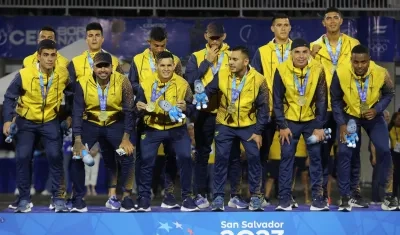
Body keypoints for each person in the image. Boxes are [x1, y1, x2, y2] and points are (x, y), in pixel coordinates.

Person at [3, 39, 72, 213]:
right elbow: (10, 97)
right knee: (23, 157)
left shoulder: (63, 74)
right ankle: (24, 199)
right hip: (26, 122)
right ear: (39, 56)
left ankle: (58, 199)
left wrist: (70, 117)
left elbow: (73, 96)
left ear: (56, 56)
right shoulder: (24, 74)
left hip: (50, 120)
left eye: (53, 55)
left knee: (56, 156)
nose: (50, 59)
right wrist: (7, 120)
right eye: (46, 55)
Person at [330, 44, 397, 211]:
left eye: (363, 62)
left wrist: (377, 109)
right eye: (356, 62)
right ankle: (347, 196)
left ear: (369, 60)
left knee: (384, 149)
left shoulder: (381, 72)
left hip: (373, 116)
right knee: (346, 152)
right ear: (351, 60)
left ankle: (388, 195)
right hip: (351, 118)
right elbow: (336, 100)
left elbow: (389, 93)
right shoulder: (341, 72)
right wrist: (342, 123)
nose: (360, 66)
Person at [185, 22, 244, 209]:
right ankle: (200, 194)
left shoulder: (231, 55)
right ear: (206, 37)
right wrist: (207, 62)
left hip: (227, 112)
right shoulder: (196, 56)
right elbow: (189, 81)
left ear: (224, 36)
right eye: (212, 38)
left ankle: (234, 195)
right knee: (202, 154)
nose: (215, 41)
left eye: (218, 37)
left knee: (232, 155)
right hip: (204, 113)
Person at [204, 46, 269, 211]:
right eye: (230, 59)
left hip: (249, 125)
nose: (230, 62)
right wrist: (200, 95)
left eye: (235, 59)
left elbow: (263, 108)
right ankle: (218, 197)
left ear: (245, 61)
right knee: (221, 158)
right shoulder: (223, 73)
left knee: (254, 158)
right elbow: (209, 90)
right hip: (224, 124)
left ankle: (256, 196)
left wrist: (258, 131)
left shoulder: (259, 79)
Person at [67, 22, 123, 210]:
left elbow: (124, 88)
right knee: (77, 157)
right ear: (86, 39)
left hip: (111, 121)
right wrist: (71, 114)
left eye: (97, 35)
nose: (93, 38)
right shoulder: (75, 62)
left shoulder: (114, 61)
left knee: (112, 158)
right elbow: (68, 92)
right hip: (85, 120)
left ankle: (112, 196)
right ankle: (78, 198)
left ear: (102, 38)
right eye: (90, 35)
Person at [134, 51, 198, 212]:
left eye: (169, 65)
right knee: (146, 160)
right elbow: (137, 106)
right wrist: (139, 108)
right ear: (156, 66)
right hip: (152, 128)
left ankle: (187, 199)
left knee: (184, 157)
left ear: (174, 66)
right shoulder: (146, 83)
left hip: (176, 128)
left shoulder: (183, 84)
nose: (166, 69)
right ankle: (144, 199)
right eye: (162, 65)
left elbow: (193, 109)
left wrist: (186, 108)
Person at [71, 52, 136, 212]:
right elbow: (77, 112)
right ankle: (78, 198)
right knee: (77, 156)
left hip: (115, 123)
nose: (102, 70)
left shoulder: (123, 81)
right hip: (91, 124)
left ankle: (126, 197)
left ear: (112, 67)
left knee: (127, 155)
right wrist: (78, 140)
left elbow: (129, 111)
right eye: (99, 66)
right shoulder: (82, 83)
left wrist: (126, 137)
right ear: (93, 67)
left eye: (106, 66)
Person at [310, 7, 361, 206]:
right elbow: (305, 75)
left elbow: (361, 71)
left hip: (348, 108)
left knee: (351, 150)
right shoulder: (314, 46)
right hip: (323, 109)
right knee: (322, 152)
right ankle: (322, 194)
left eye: (335, 18)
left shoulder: (353, 44)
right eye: (328, 18)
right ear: (323, 23)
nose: (331, 21)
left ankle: (351, 194)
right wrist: (311, 58)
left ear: (341, 21)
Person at [128, 26, 181, 208]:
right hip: (146, 115)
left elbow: (180, 84)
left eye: (163, 46)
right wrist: (145, 92)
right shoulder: (137, 60)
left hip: (169, 117)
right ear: (149, 43)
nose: (160, 50)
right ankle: (143, 195)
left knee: (171, 156)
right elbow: (131, 83)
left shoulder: (174, 60)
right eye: (156, 46)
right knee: (143, 158)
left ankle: (170, 195)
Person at [273, 38, 328, 211]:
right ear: (291, 54)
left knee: (316, 158)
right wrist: (282, 125)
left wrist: (319, 126)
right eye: (297, 52)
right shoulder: (281, 70)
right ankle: (284, 198)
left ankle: (318, 199)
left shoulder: (318, 69)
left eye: (305, 51)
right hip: (289, 124)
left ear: (308, 53)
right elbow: (276, 100)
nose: (301, 56)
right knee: (287, 158)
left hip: (311, 124)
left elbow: (322, 99)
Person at [251, 13, 292, 206]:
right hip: (267, 110)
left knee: (288, 154)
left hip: (290, 110)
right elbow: (255, 80)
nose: (283, 28)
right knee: (261, 154)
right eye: (279, 25)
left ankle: (286, 195)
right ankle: (257, 195)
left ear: (290, 28)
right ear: (272, 28)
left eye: (286, 25)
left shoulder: (298, 50)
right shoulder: (262, 51)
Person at [370, 110, 391, 204]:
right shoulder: (378, 126)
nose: (388, 118)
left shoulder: (385, 127)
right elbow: (373, 143)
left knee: (383, 175)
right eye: (386, 117)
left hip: (385, 154)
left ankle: (381, 197)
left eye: (388, 117)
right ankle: (375, 198)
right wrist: (374, 156)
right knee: (377, 177)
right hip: (378, 154)